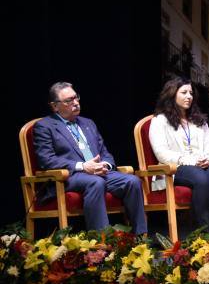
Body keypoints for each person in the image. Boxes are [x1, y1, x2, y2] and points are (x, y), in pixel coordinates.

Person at [33, 82, 147, 234]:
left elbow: (104, 152)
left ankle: (140, 237)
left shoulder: (88, 123)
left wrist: (105, 165)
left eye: (76, 98)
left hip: (99, 172)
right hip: (69, 176)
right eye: (68, 101)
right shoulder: (44, 126)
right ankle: (101, 241)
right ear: (55, 106)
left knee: (132, 181)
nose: (75, 103)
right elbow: (46, 160)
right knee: (95, 182)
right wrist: (83, 166)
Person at [148, 77, 209, 230]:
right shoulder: (159, 121)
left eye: (190, 93)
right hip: (175, 168)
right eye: (184, 92)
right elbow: (161, 153)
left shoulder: (199, 120)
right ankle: (205, 234)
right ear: (172, 94)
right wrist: (190, 161)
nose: (189, 96)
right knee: (201, 179)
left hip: (203, 164)